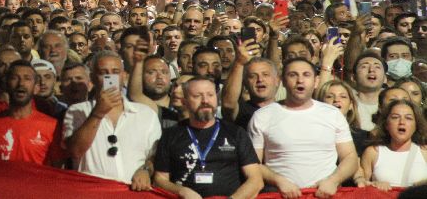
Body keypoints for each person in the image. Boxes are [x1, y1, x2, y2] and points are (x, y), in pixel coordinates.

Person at [248, 58, 357, 196]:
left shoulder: (332, 114)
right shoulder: (262, 116)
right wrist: (278, 181)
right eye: (293, 75)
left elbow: (350, 157)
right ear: (282, 81)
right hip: (280, 194)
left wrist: (333, 181)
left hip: (326, 194)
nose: (300, 80)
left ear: (316, 81)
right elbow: (253, 164)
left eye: (306, 75)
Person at [63, 51, 161, 190]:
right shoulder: (77, 111)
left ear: (124, 76)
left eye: (115, 72)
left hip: (134, 193)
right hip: (92, 193)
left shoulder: (146, 114)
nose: (110, 77)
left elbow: (155, 156)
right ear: (93, 78)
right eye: (104, 72)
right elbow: (74, 151)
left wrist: (145, 170)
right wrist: (98, 113)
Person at [153, 76, 263, 199]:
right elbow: (159, 179)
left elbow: (256, 180)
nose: (205, 100)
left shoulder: (236, 133)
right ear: (185, 101)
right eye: (197, 96)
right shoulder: (171, 134)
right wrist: (181, 191)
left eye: (210, 95)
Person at [0, 60, 65, 165]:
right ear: (6, 85)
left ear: (36, 88)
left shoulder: (52, 126)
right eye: (14, 78)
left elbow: (57, 170)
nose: (21, 83)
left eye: (27, 78)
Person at [360, 99, 427, 190]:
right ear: (386, 124)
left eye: (408, 118)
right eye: (395, 117)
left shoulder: (425, 152)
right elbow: (361, 185)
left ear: (416, 125)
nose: (402, 122)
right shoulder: (373, 152)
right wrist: (374, 184)